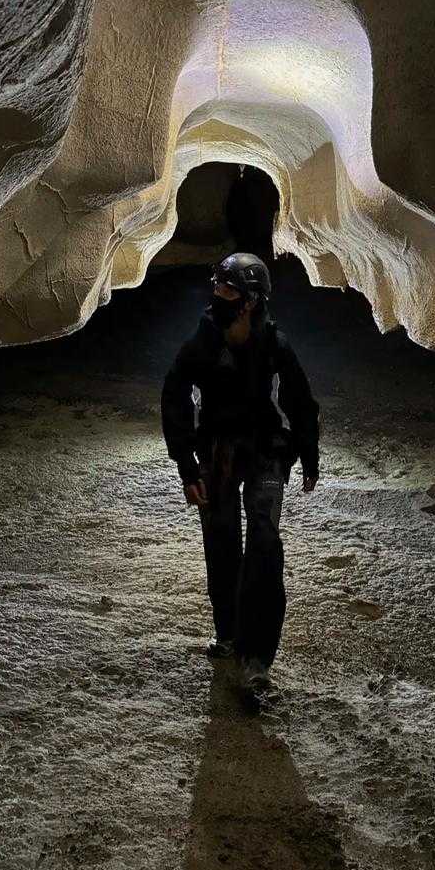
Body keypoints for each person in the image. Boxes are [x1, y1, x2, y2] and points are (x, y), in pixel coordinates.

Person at [160, 252, 320, 697]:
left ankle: (257, 658)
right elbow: (174, 391)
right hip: (218, 449)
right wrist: (186, 464)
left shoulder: (273, 341)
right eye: (218, 286)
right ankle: (228, 632)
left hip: (264, 446)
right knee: (222, 535)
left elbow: (299, 398)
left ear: (250, 300)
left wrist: (308, 453)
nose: (218, 295)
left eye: (228, 289)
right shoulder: (204, 338)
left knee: (265, 539)